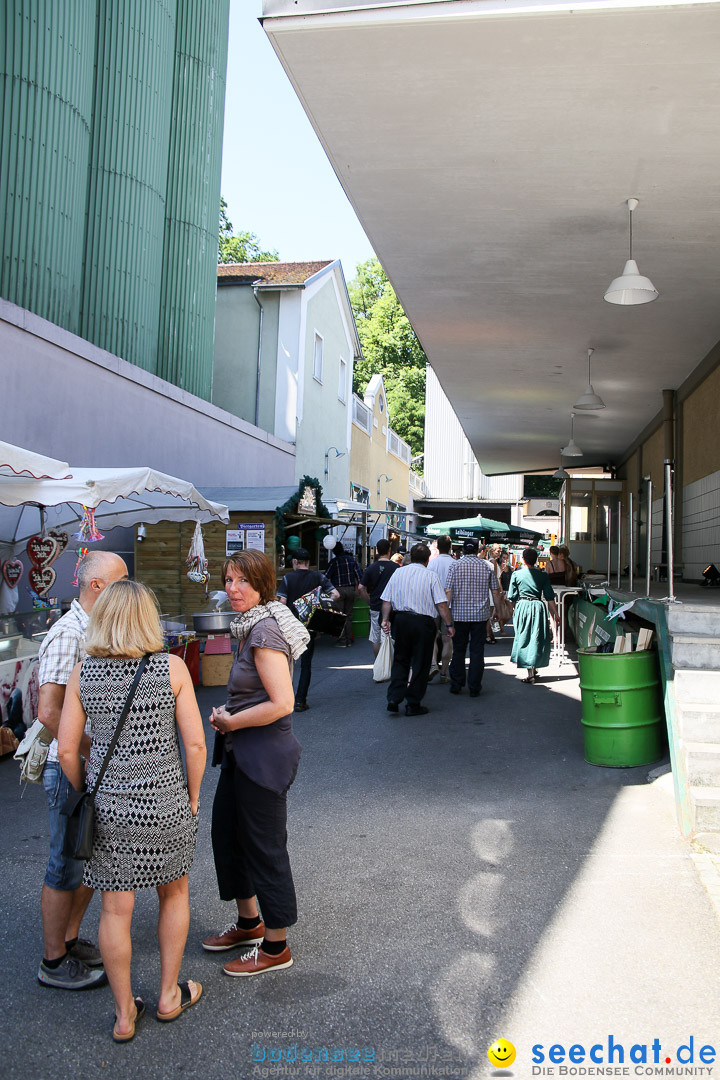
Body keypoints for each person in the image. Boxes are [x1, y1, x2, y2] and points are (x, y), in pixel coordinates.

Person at [57, 580, 206, 1040]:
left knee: (115, 911)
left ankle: (124, 1015)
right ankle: (167, 995)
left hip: (110, 809)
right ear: (147, 619)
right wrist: (193, 797)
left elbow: (66, 751)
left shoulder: (85, 673)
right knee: (174, 895)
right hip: (166, 802)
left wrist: (90, 793)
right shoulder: (172, 669)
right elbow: (196, 744)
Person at [203, 550, 309, 977]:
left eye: (243, 581)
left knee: (265, 848)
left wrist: (230, 721)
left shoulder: (264, 631)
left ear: (262, 585)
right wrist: (230, 721)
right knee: (227, 836)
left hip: (263, 755)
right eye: (228, 580)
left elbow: (283, 704)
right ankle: (250, 922)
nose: (233, 589)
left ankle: (276, 945)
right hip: (241, 753)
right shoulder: (248, 626)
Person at [36, 549, 127, 991]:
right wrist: (95, 748)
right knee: (63, 867)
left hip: (94, 766)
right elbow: (49, 713)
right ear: (96, 587)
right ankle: (53, 962)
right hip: (70, 766)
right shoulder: (67, 633)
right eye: (120, 582)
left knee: (88, 861)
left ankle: (69, 941)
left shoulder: (95, 630)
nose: (127, 590)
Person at [380, 543, 455, 716]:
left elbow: (386, 600)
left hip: (401, 620)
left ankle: (394, 698)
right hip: (423, 623)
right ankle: (413, 703)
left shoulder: (398, 573)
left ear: (411, 558)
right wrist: (449, 625)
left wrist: (385, 619)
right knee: (420, 662)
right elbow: (441, 604)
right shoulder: (431, 576)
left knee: (400, 659)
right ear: (428, 559)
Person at [277, 548, 338, 710]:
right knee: (305, 664)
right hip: (309, 626)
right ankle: (300, 701)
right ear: (308, 563)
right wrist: (318, 604)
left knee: (286, 662)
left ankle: (283, 700)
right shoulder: (318, 576)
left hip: (290, 625)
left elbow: (282, 602)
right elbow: (336, 594)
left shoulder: (288, 578)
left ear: (295, 562)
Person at [445, 539, 499, 698]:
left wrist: (445, 614)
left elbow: (448, 591)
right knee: (477, 651)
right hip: (480, 616)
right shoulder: (487, 566)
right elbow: (495, 591)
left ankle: (457, 683)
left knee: (459, 649)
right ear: (477, 550)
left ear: (462, 550)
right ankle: (474, 686)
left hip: (459, 615)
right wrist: (496, 610)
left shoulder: (455, 565)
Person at [507, 547, 560, 684]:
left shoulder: (516, 575)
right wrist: (556, 614)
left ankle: (530, 673)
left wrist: (513, 610)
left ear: (523, 560)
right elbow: (549, 597)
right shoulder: (543, 576)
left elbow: (511, 597)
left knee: (524, 637)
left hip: (523, 606)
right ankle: (534, 668)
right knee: (536, 637)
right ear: (536, 560)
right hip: (538, 607)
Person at [358, 538, 398, 658]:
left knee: (375, 637)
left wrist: (369, 600)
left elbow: (360, 588)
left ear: (377, 550)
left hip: (375, 605)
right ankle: (388, 665)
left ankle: (378, 664)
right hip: (392, 607)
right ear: (389, 550)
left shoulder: (371, 567)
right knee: (389, 636)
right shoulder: (396, 567)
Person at [427, 535, 455, 681]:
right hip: (449, 606)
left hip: (432, 606)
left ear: (437, 547)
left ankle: (432, 665)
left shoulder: (431, 564)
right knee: (447, 639)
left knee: (432, 638)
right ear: (450, 547)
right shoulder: (455, 564)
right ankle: (444, 673)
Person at [325, 542, 362, 647]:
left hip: (338, 591)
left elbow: (326, 576)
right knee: (349, 616)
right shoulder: (352, 560)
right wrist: (359, 589)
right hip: (351, 590)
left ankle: (342, 641)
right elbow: (359, 576)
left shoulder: (333, 562)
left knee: (340, 616)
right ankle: (349, 640)